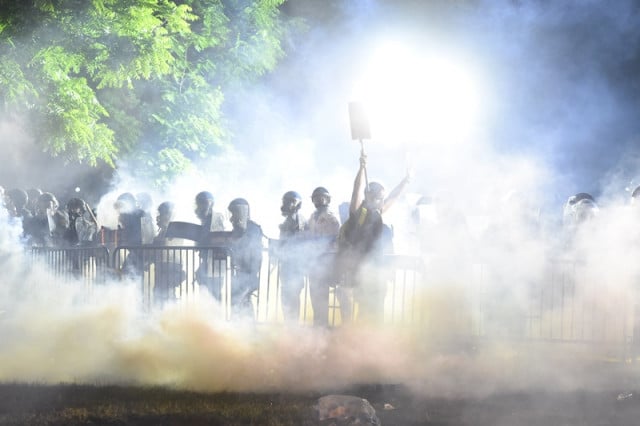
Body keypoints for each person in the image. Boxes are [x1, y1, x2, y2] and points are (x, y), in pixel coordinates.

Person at [336, 153, 411, 324]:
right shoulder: (358, 214)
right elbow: (355, 192)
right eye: (376, 197)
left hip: (377, 276)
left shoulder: (377, 214)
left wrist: (406, 181)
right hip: (361, 273)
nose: (379, 200)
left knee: (376, 315)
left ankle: (372, 345)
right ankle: (358, 344)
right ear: (369, 196)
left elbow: (392, 198)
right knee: (364, 314)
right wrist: (361, 168)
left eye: (380, 197)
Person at [306, 186, 341, 326]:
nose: (318, 201)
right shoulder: (312, 217)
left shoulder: (331, 218)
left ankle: (323, 329)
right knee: (315, 298)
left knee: (321, 299)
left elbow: (334, 242)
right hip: (314, 264)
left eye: (321, 197)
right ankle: (318, 326)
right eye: (315, 198)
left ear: (328, 199)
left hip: (325, 264)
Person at [227, 198, 264, 319]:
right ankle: (246, 330)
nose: (233, 217)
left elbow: (251, 250)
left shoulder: (253, 229)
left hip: (249, 273)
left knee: (239, 301)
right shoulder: (238, 229)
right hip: (239, 273)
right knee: (243, 303)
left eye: (235, 212)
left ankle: (247, 329)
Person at [277, 190, 307, 322]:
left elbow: (301, 242)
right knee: (286, 296)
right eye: (286, 201)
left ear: (296, 204)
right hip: (287, 266)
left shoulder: (300, 220)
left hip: (295, 267)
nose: (288, 205)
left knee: (292, 297)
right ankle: (289, 325)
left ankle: (293, 326)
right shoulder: (288, 221)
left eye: (291, 202)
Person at [194, 191, 227, 298]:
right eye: (199, 203)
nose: (200, 206)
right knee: (204, 285)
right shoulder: (205, 219)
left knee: (215, 290)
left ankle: (216, 312)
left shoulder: (216, 217)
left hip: (216, 258)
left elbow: (216, 237)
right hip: (207, 258)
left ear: (210, 203)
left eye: (202, 203)